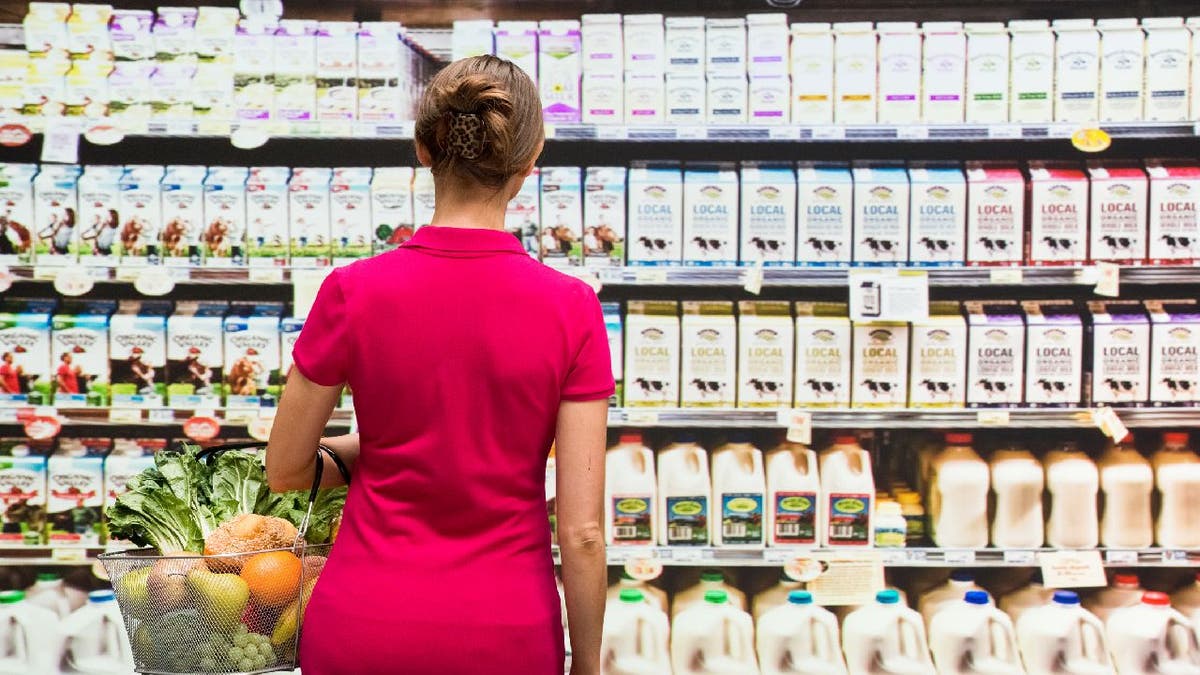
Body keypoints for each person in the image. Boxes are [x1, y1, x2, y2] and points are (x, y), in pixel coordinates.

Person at [266, 55, 612, 675]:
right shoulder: (572, 307)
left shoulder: (352, 291)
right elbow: (582, 534)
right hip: (506, 634)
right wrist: (586, 663)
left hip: (362, 627)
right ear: (530, 165)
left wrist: (389, 447)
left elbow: (287, 470)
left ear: (423, 149)